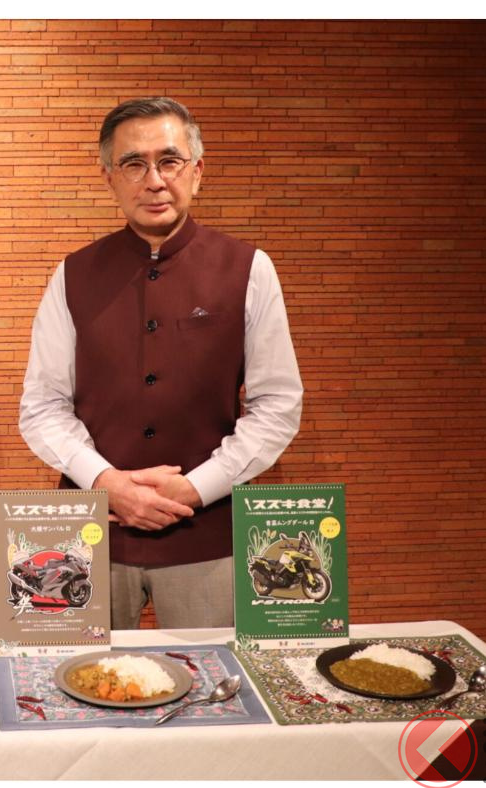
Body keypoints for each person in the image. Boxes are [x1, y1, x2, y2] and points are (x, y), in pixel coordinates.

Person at [19, 97, 302, 629]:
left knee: (213, 679)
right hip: (89, 531)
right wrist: (106, 481)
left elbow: (277, 407)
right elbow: (42, 407)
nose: (154, 181)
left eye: (169, 161)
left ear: (197, 171)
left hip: (207, 532)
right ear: (109, 177)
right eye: (134, 164)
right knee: (71, 676)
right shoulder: (72, 274)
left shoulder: (249, 269)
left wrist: (195, 487)